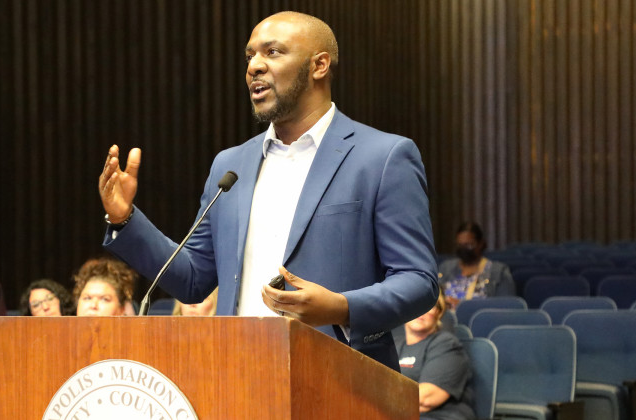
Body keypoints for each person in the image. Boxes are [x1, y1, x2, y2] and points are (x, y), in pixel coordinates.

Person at [98, 11, 438, 370]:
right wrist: (124, 218)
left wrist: (341, 307)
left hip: (340, 379)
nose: (254, 67)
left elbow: (418, 280)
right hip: (238, 375)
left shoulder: (382, 156)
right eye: (250, 56)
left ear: (319, 65)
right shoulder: (230, 166)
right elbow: (194, 278)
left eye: (272, 52)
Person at [396, 290, 476, 419]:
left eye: (428, 305)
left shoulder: (447, 344)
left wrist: (379, 401)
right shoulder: (395, 346)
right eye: (415, 304)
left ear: (438, 313)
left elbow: (426, 398)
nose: (421, 310)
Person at [438, 222, 515, 309]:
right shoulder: (446, 268)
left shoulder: (498, 271)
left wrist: (463, 306)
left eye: (469, 245)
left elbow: (506, 306)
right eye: (460, 245)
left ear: (480, 244)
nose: (464, 249)